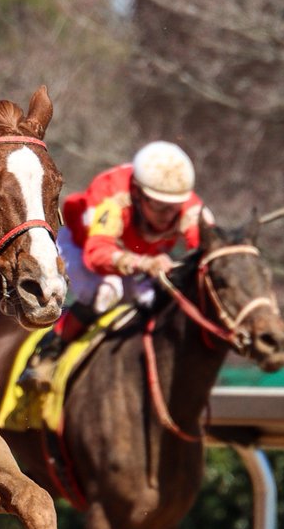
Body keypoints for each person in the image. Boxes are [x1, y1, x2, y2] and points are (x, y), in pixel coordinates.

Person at [22, 141, 214, 389]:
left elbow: (209, 251)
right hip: (82, 246)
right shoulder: (112, 194)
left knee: (155, 298)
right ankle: (47, 354)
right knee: (107, 292)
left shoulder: (188, 204)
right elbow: (97, 255)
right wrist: (144, 263)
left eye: (174, 208)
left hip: (134, 258)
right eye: (159, 205)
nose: (168, 215)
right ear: (137, 193)